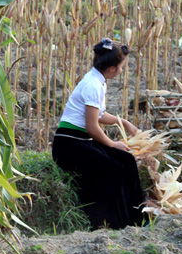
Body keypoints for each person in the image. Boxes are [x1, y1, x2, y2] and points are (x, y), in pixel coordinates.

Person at [52, 38, 144, 230]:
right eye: (120, 67)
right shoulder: (93, 85)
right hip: (69, 145)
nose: (121, 71)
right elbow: (92, 127)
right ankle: (112, 222)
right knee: (114, 169)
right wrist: (112, 144)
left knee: (126, 160)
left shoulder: (98, 80)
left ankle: (137, 218)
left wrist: (125, 123)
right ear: (111, 68)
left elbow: (99, 114)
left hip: (80, 141)